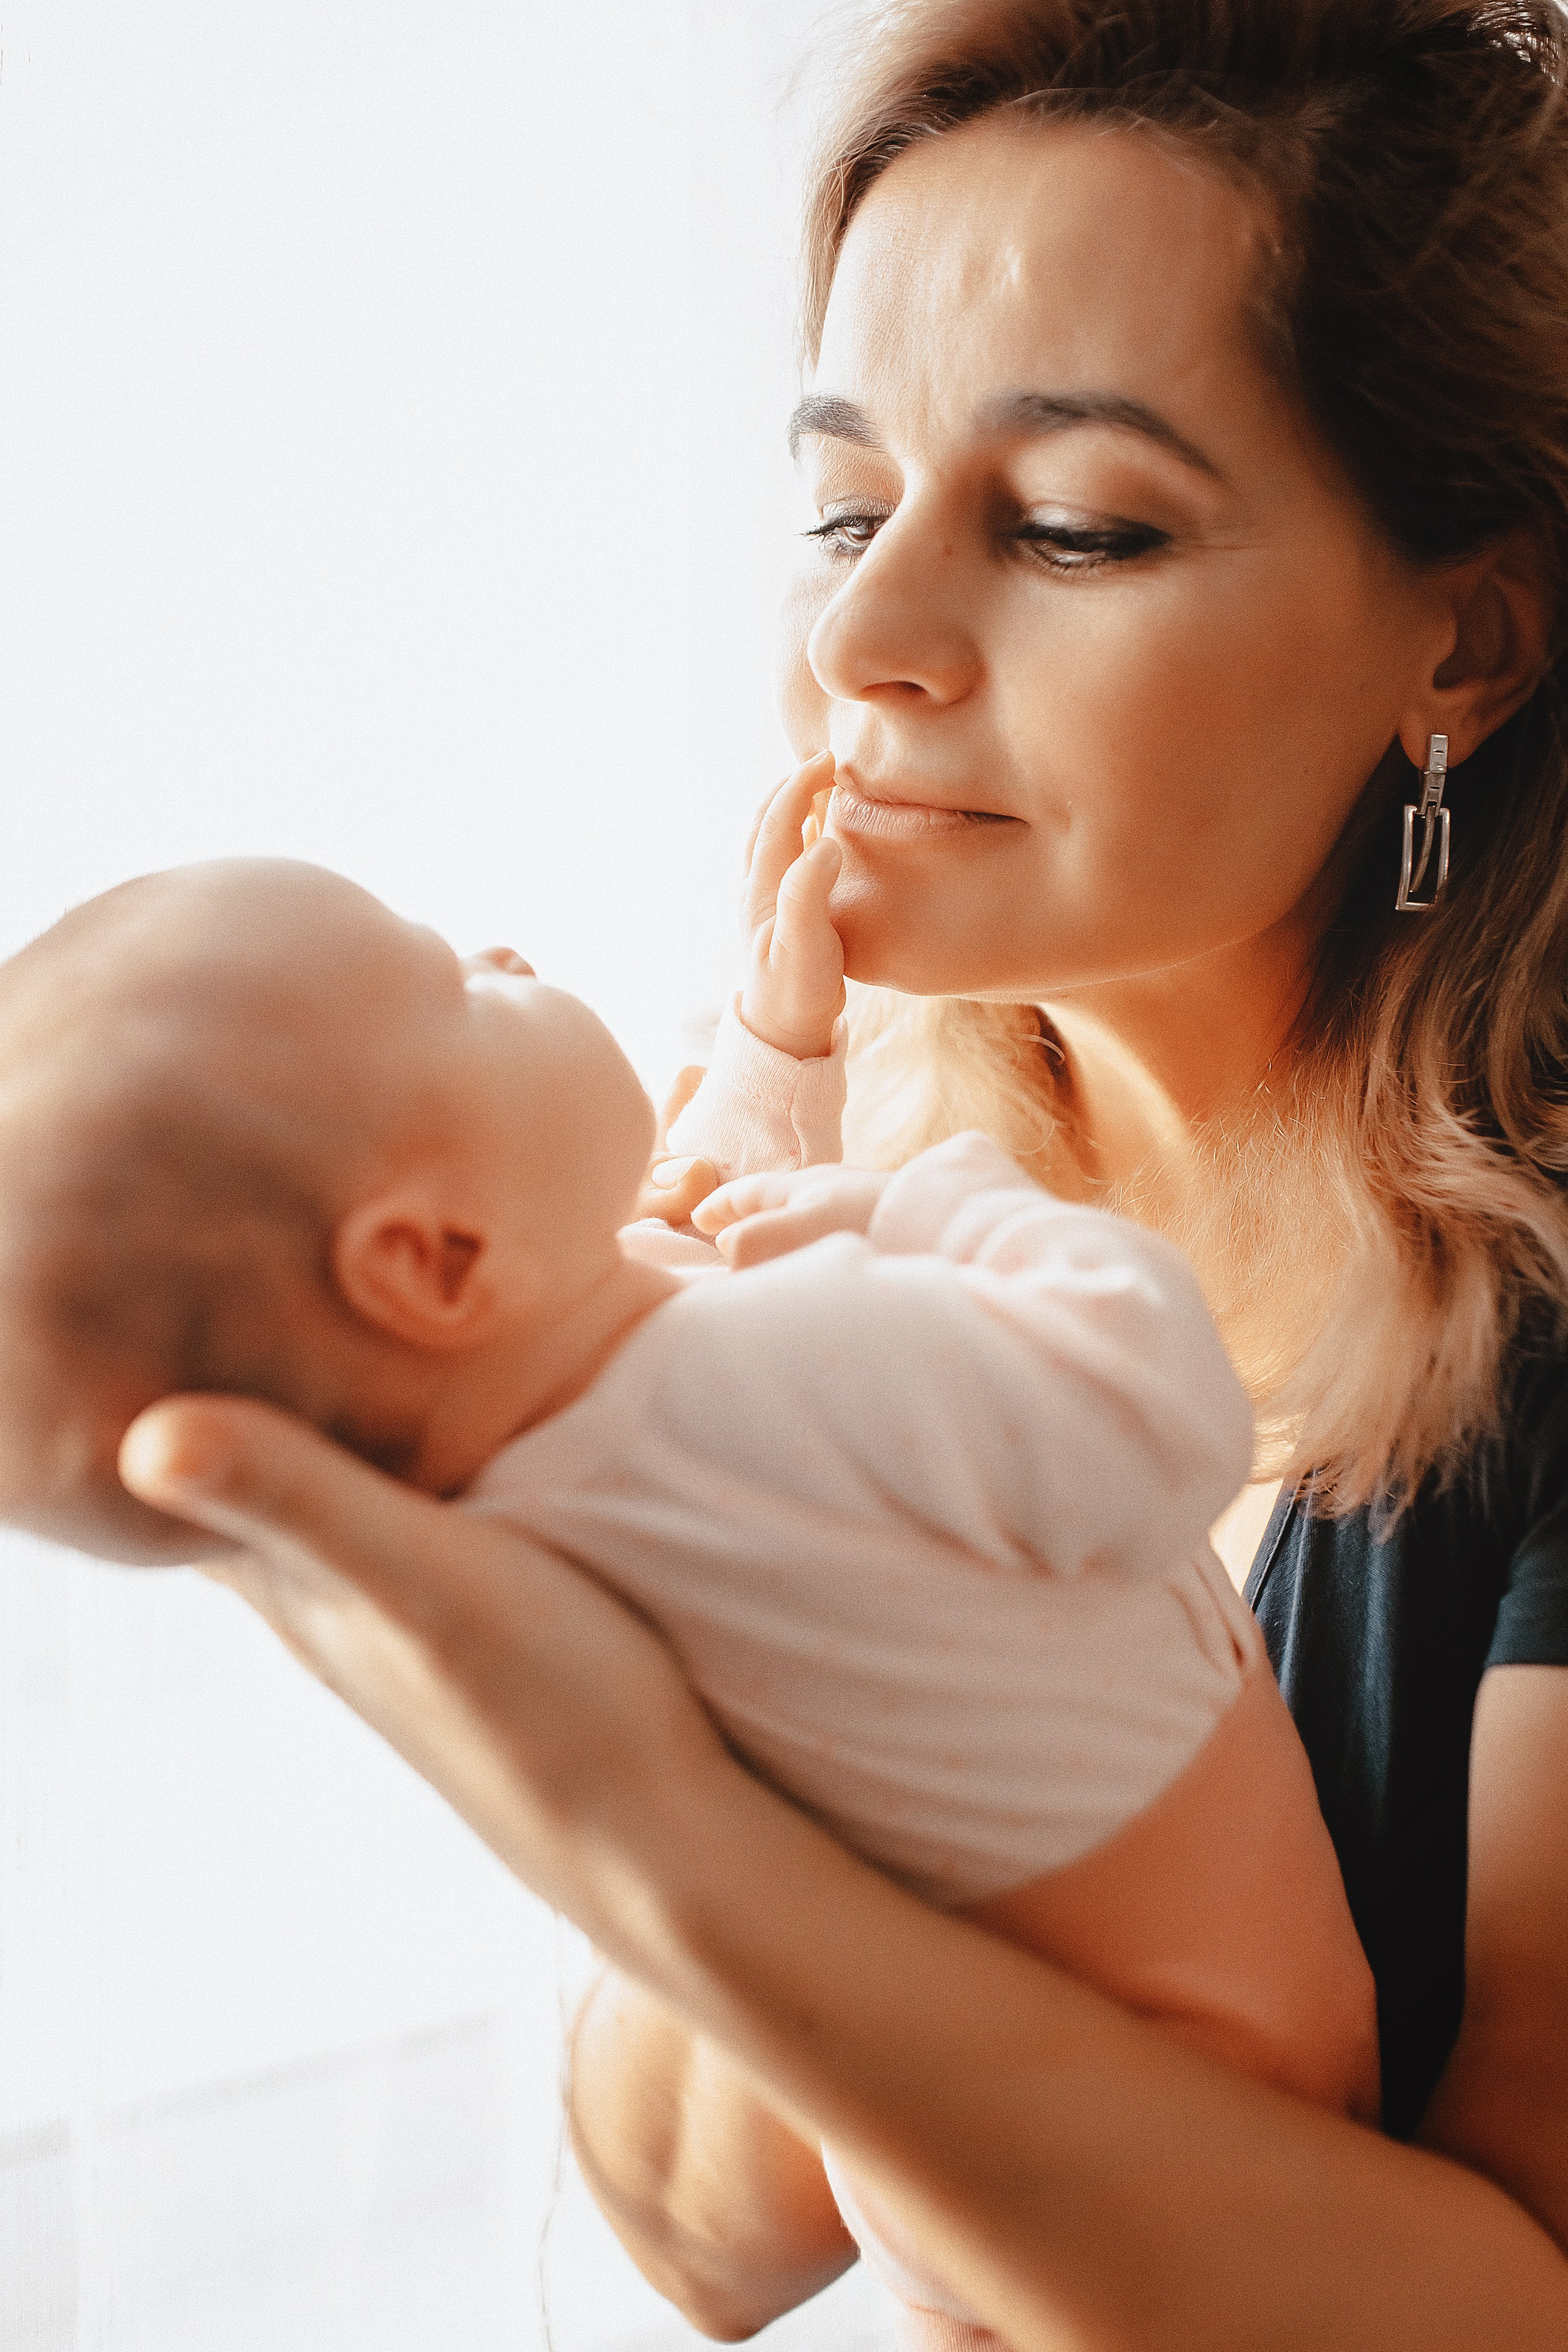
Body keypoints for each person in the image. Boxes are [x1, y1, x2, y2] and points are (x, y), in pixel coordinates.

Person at [109, 0, 1568, 2342]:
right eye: (841, 509)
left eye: (1074, 526)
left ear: (1465, 644)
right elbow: (702, 2230)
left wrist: (646, 1817)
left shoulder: (1529, 1335)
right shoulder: (809, 1162)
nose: (863, 642)